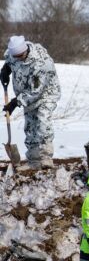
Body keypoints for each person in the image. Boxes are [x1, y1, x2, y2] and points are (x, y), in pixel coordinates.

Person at [0, 35, 61, 169]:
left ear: (25, 51)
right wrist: (6, 70)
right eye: (15, 56)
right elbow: (10, 61)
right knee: (31, 126)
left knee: (42, 122)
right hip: (27, 94)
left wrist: (15, 103)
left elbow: (36, 91)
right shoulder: (14, 54)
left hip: (46, 94)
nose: (17, 59)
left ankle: (45, 158)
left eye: (20, 56)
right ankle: (34, 161)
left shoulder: (42, 63)